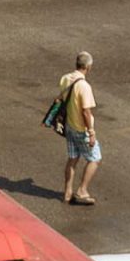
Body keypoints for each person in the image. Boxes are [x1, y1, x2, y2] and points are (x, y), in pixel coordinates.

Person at [53, 51, 100, 206]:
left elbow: (61, 98)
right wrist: (91, 133)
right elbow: (86, 112)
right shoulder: (84, 86)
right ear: (88, 66)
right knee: (94, 159)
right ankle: (82, 190)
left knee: (73, 158)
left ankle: (67, 192)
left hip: (69, 126)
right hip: (81, 129)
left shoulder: (66, 78)